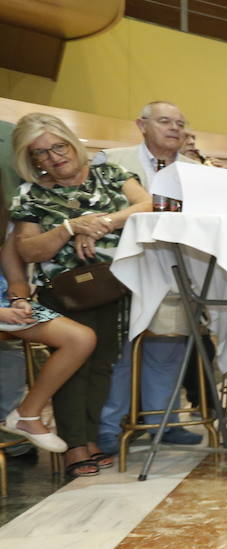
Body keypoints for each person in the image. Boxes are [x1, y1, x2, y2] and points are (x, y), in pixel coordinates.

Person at [9, 112, 153, 478]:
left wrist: (101, 223)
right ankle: (75, 444)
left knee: (104, 363)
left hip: (113, 283)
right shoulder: (31, 194)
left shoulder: (111, 174)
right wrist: (70, 228)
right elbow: (28, 250)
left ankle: (89, 440)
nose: (54, 157)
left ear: (70, 142)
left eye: (58, 146)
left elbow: (146, 205)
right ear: (30, 160)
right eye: (40, 153)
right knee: (76, 366)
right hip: (65, 291)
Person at [99, 101, 203, 453]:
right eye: (164, 121)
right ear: (141, 124)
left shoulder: (196, 171)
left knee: (166, 347)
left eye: (180, 122)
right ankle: (110, 427)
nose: (174, 128)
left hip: (174, 269)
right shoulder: (111, 161)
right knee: (120, 352)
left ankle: (164, 420)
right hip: (121, 268)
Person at [0, 210, 96, 456]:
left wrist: (20, 300)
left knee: (80, 338)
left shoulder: (8, 227)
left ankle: (27, 413)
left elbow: (15, 277)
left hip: (6, 306)